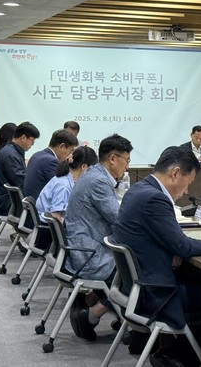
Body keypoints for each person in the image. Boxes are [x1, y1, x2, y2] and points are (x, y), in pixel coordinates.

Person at [112, 146, 201, 366]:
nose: (186, 191)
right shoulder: (154, 198)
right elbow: (183, 246)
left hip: (138, 287)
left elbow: (167, 242)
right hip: (158, 294)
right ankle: (177, 356)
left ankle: (175, 353)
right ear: (175, 173)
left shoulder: (138, 189)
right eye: (188, 182)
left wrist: (172, 251)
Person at [64, 134, 133, 341]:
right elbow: (119, 220)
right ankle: (94, 314)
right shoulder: (99, 181)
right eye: (127, 160)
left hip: (84, 246)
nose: (128, 166)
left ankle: (113, 313)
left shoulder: (93, 173)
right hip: (90, 254)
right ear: (112, 158)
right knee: (139, 273)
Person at [34, 146, 98, 249]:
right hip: (48, 236)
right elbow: (56, 218)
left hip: (44, 230)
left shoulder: (64, 179)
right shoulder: (64, 186)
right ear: (84, 167)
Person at [0, 122, 40, 216]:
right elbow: (21, 181)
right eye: (32, 141)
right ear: (23, 138)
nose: (32, 144)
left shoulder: (12, 151)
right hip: (9, 203)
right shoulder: (10, 155)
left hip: (8, 200)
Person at [23, 129, 79, 201]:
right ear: (61, 146)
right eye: (70, 151)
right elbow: (62, 187)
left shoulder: (37, 155)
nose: (70, 155)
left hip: (29, 202)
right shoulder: (51, 162)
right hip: (41, 205)